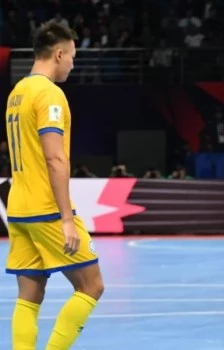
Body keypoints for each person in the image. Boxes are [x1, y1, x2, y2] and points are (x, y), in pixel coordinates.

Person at [4, 22, 104, 350]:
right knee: (92, 286)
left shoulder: (17, 92)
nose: (73, 64)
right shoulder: (50, 94)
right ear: (59, 54)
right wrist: (65, 218)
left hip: (17, 208)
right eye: (72, 57)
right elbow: (54, 159)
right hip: (45, 208)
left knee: (30, 295)